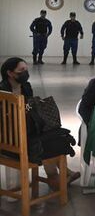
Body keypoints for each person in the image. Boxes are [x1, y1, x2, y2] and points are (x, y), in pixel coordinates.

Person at [1, 57, 80, 189]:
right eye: (21, 70)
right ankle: (56, 178)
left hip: (28, 129)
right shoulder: (2, 91)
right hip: (12, 136)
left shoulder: (26, 87)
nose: (25, 73)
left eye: (26, 69)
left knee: (54, 136)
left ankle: (59, 176)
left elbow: (30, 109)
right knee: (45, 143)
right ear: (10, 73)